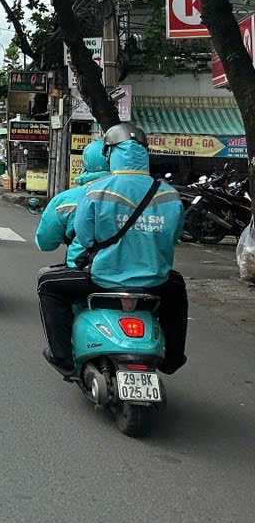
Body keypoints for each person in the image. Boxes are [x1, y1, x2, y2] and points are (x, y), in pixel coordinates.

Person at [36, 124, 188, 375]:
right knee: (177, 287)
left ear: (110, 154)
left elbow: (85, 238)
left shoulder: (95, 191)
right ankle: (173, 359)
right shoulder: (169, 194)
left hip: (103, 279)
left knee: (48, 284)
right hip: (155, 282)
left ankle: (62, 357)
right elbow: (173, 237)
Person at [35, 139, 109, 263]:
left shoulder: (65, 200)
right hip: (136, 271)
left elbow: (45, 242)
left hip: (81, 267)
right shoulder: (139, 195)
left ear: (84, 164)